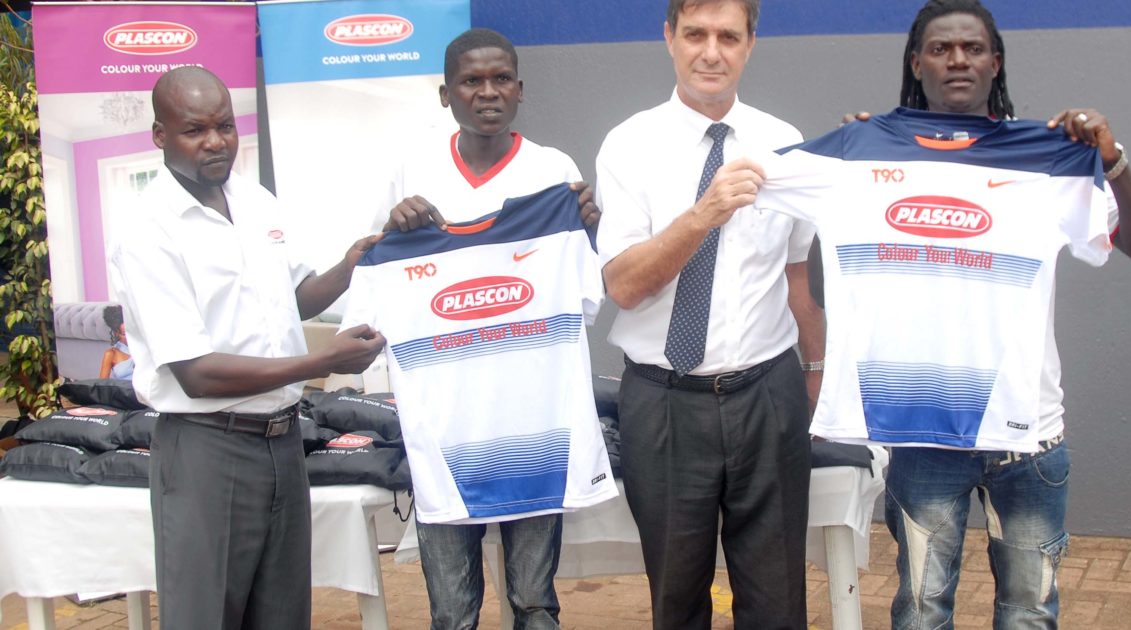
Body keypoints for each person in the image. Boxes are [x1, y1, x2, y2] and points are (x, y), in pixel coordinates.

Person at [757, 1, 1131, 627]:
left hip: (1029, 434)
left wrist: (1112, 161)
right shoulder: (857, 153)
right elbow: (810, 271)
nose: (957, 60)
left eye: (972, 48)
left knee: (1029, 613)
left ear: (994, 62)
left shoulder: (1050, 156)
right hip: (921, 434)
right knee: (922, 612)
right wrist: (839, 201)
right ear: (916, 62)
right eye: (941, 48)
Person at [344, 28, 613, 630]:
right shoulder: (411, 171)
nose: (487, 92)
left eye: (500, 79)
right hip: (444, 431)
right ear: (447, 95)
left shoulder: (553, 172)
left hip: (535, 422)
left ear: (520, 89)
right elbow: (371, 280)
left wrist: (588, 230)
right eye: (471, 81)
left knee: (535, 604)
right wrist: (391, 228)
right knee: (452, 613)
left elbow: (588, 292)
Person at [108, 66, 387, 630]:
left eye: (225, 126)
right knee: (204, 617)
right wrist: (323, 362)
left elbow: (294, 298)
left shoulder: (254, 199)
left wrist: (352, 263)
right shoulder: (148, 229)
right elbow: (196, 374)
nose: (216, 142)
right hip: (207, 448)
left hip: (282, 443)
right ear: (160, 135)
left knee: (282, 615)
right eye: (195, 130)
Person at [593, 1, 825, 627]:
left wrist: (816, 373)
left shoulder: (785, 144)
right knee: (677, 600)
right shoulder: (628, 145)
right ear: (669, 37)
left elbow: (796, 277)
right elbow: (623, 286)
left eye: (729, 36)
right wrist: (703, 213)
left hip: (768, 395)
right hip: (664, 402)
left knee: (778, 603)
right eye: (695, 34)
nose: (711, 52)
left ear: (751, 43)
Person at [98, 304, 133, 380]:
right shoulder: (111, 354)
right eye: (124, 334)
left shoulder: (144, 349)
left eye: (130, 333)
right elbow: (102, 384)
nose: (128, 338)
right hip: (123, 387)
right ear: (116, 333)